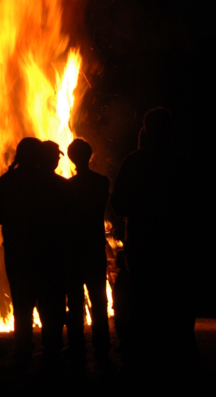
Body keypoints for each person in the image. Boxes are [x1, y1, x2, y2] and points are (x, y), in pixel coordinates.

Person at [111, 107, 197, 370]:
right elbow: (196, 205)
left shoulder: (134, 162)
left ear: (147, 129)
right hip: (176, 244)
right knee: (174, 299)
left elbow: (119, 205)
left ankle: (140, 356)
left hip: (143, 243)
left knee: (142, 297)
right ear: (170, 130)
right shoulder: (182, 163)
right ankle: (178, 354)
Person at [0, 137, 43, 370]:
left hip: (16, 249)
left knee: (21, 302)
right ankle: (52, 349)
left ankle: (23, 349)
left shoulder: (7, 181)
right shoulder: (50, 182)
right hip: (45, 249)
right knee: (48, 300)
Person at [65, 138, 110, 365]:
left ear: (71, 158)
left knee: (75, 301)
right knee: (98, 299)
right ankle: (102, 347)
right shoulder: (102, 182)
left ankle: (77, 347)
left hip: (74, 250)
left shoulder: (67, 187)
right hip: (94, 247)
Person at [36, 140, 69, 365]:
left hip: (36, 253)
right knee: (55, 300)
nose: (58, 160)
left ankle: (45, 346)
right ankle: (53, 346)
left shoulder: (27, 185)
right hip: (55, 253)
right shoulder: (62, 186)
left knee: (41, 300)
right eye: (56, 156)